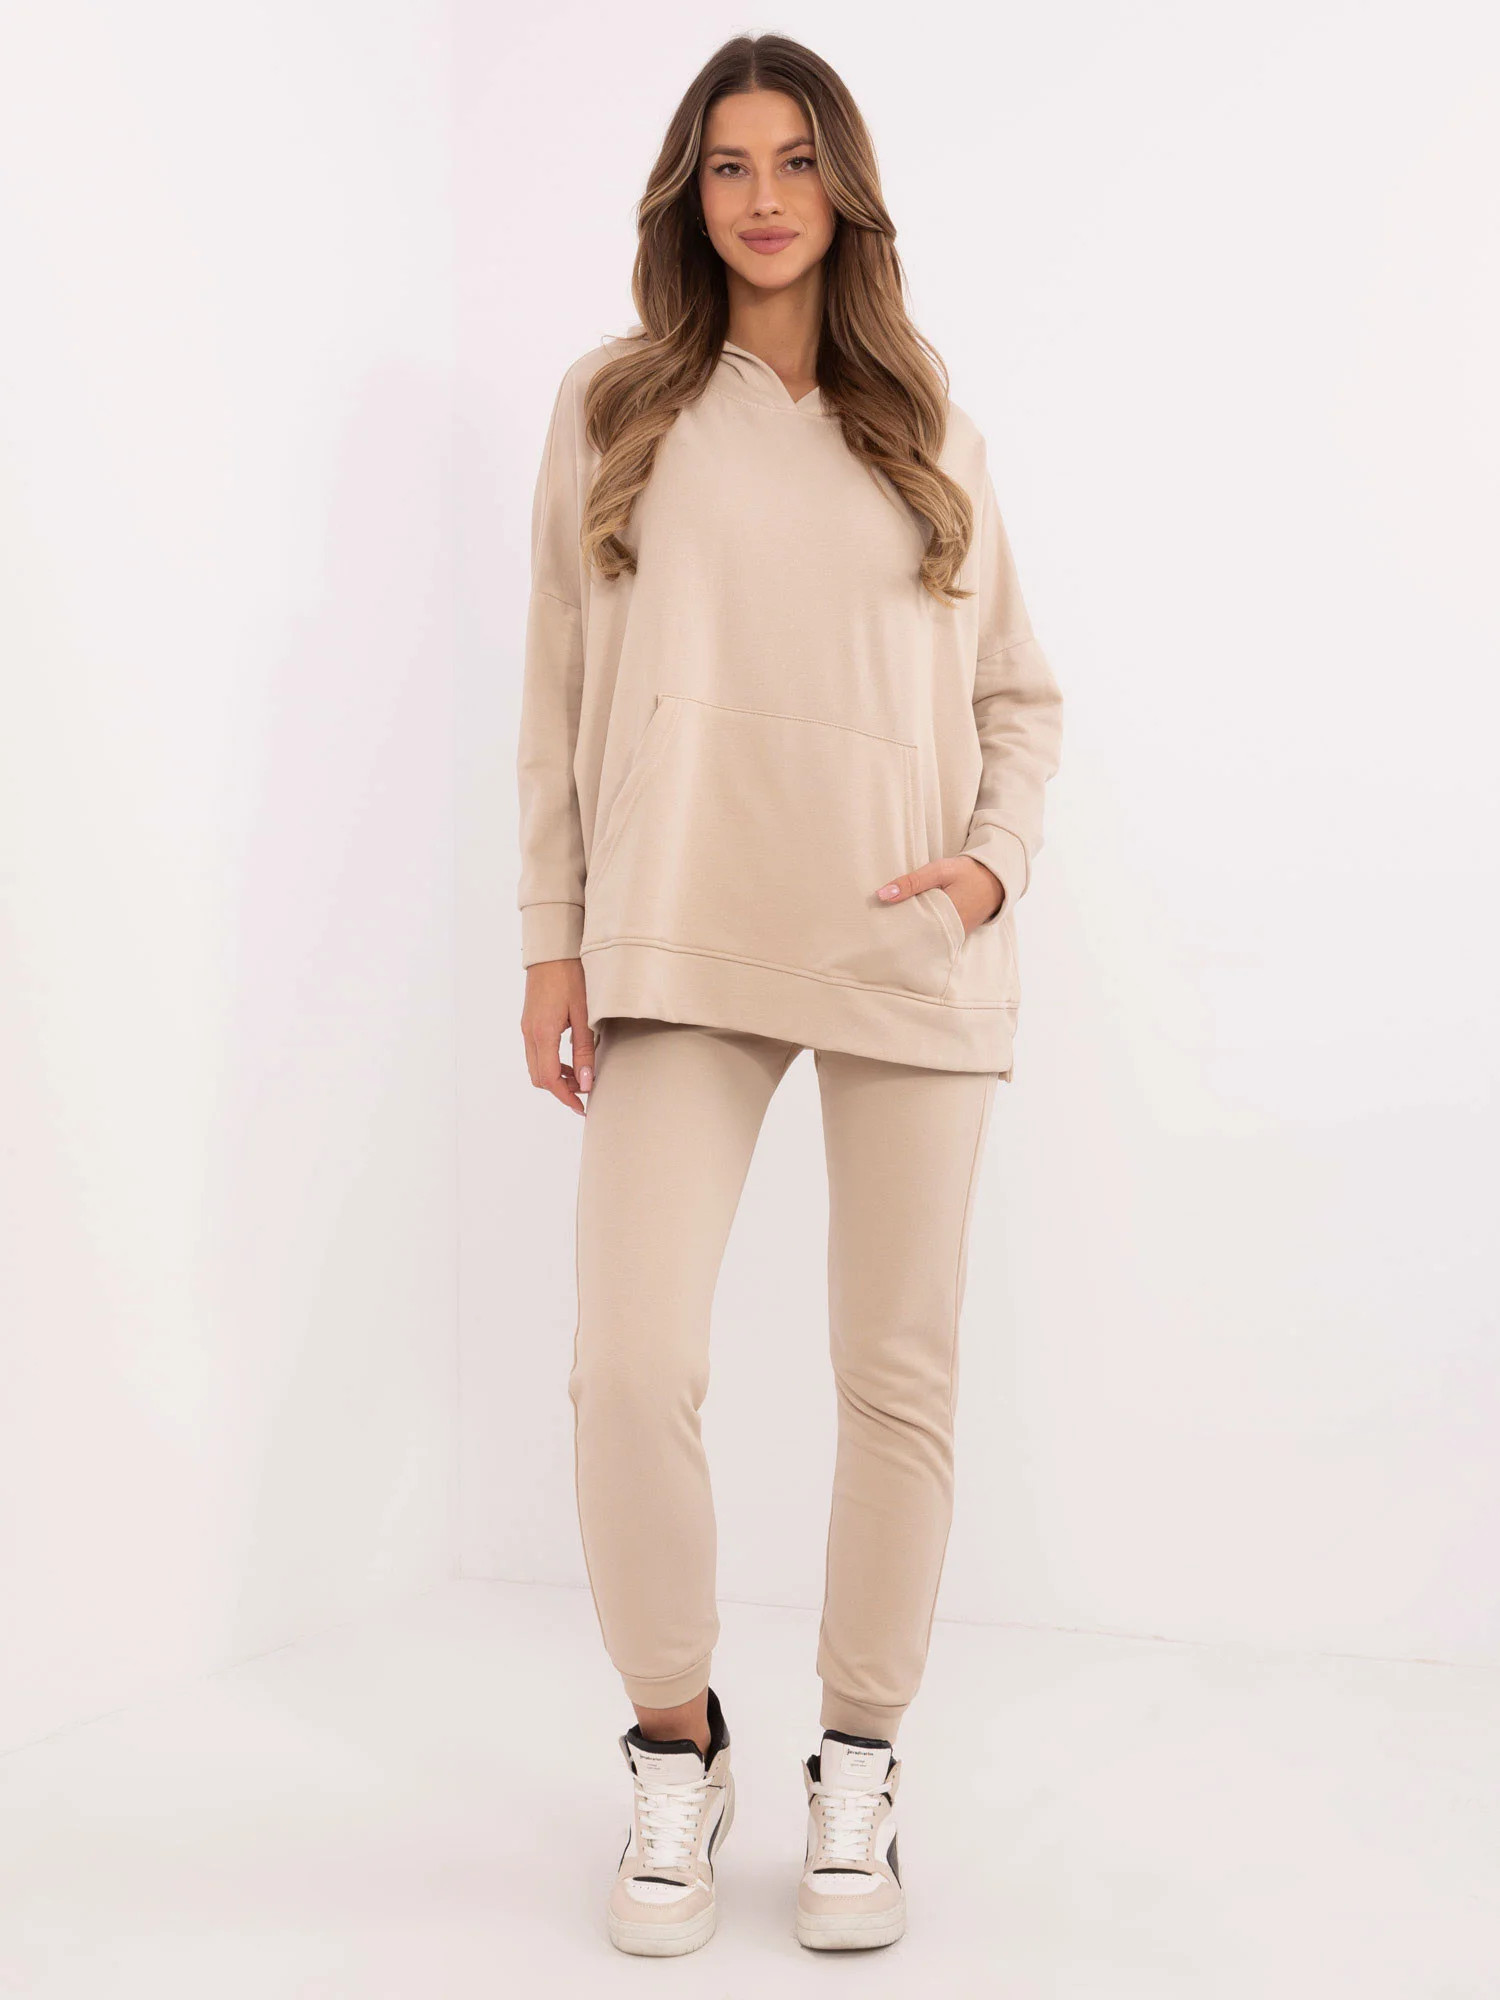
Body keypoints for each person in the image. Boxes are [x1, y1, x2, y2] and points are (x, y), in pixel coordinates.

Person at [515, 32, 1063, 1959]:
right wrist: (554, 934)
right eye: (730, 165)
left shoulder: (928, 422)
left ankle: (860, 1762)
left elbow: (1020, 697)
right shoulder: (617, 408)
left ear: (847, 188)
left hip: (908, 938)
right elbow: (554, 696)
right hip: (681, 930)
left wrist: (988, 865)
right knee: (628, 1367)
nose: (763, 198)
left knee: (894, 1376)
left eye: (797, 161)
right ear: (691, 193)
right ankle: (678, 1741)